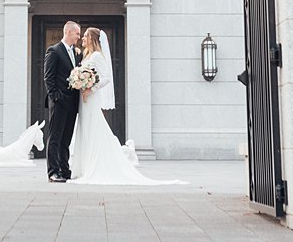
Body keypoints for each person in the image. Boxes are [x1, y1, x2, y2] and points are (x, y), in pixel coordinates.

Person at [70, 27, 185, 186]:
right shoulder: (86, 55)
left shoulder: (97, 56)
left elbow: (105, 78)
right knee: (84, 129)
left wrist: (91, 89)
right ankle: (83, 167)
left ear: (92, 39)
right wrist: (79, 82)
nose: (82, 38)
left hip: (91, 98)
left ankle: (97, 165)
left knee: (94, 128)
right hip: (83, 100)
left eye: (85, 36)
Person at [42, 20, 82, 182]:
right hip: (59, 102)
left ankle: (65, 170)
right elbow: (48, 77)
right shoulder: (54, 51)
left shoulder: (76, 52)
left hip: (73, 103)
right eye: (77, 33)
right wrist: (56, 97)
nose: (78, 37)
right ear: (68, 32)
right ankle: (53, 172)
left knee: (66, 139)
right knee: (55, 138)